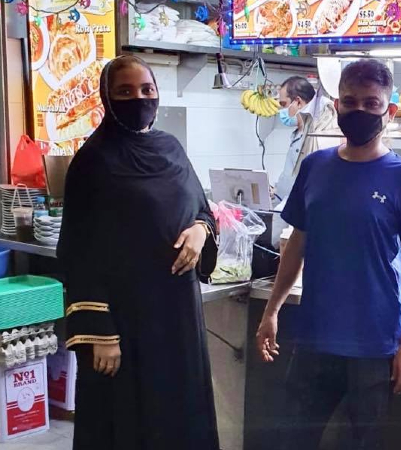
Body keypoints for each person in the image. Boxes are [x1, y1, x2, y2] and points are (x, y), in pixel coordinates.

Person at [256, 58, 401, 449]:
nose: (359, 111)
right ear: (336, 106)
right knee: (290, 442)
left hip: (375, 345)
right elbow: (296, 245)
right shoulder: (315, 166)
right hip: (314, 338)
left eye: (371, 104)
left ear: (388, 112)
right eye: (350, 101)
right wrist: (272, 311)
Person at [58, 55, 220, 450]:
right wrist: (101, 333)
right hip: (124, 322)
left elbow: (201, 208)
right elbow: (78, 250)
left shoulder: (170, 148)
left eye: (147, 90)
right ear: (107, 99)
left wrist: (200, 231)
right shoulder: (93, 161)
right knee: (127, 420)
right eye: (125, 92)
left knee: (180, 411)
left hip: (177, 313)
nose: (139, 98)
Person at [272, 76, 338, 247]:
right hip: (285, 202)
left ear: (298, 102)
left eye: (283, 104)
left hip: (302, 213)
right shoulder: (298, 132)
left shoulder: (318, 133)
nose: (282, 110)